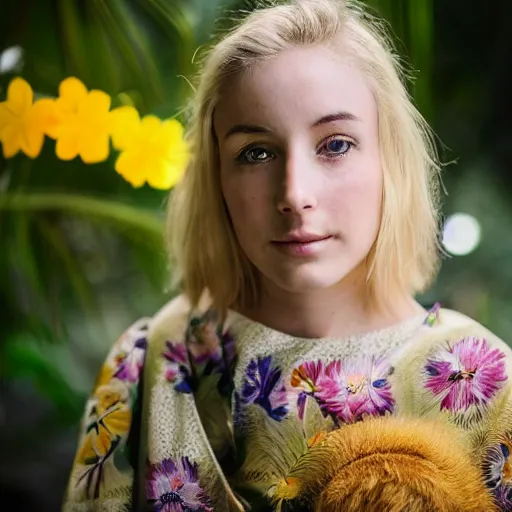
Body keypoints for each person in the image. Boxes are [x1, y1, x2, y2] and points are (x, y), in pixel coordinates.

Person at [62, 0, 512, 510]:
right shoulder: (148, 370)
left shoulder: (489, 387)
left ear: (391, 159)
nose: (295, 193)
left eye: (336, 145)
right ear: (217, 179)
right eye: (256, 153)